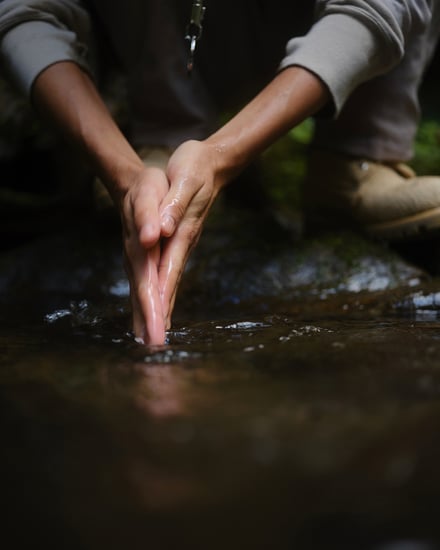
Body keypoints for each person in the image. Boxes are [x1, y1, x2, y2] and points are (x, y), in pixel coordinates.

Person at [0, 0, 439, 346]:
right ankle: (166, 133)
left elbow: (381, 5)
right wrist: (124, 172)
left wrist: (221, 157)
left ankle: (357, 157)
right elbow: (25, 13)